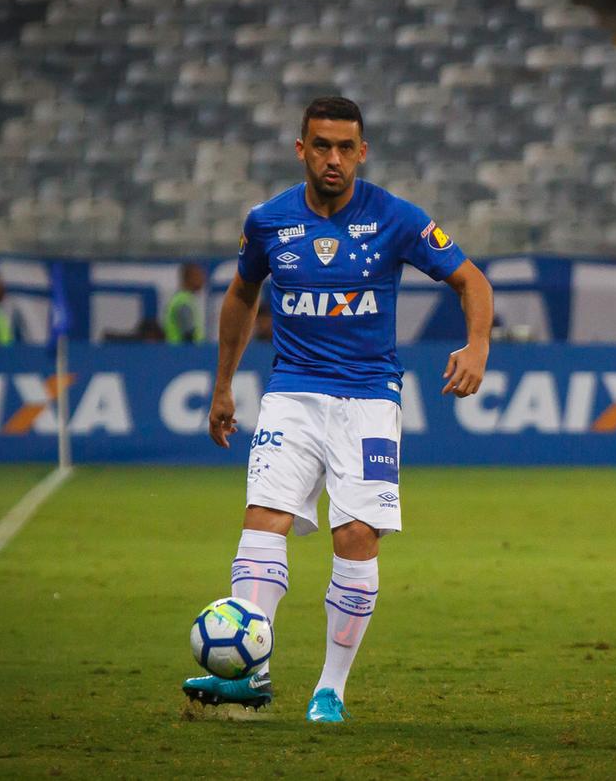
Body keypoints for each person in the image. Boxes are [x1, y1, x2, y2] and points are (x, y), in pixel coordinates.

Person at [183, 97, 494, 722]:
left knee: (355, 536)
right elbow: (243, 294)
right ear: (301, 149)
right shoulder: (269, 222)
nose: (333, 159)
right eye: (320, 146)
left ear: (362, 151)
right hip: (292, 393)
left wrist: (478, 344)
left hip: (369, 400)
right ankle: (253, 673)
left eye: (344, 148)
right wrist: (223, 384)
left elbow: (472, 281)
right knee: (261, 520)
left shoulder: (397, 218)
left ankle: (331, 688)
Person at [164, 262, 207, 344]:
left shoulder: (182, 299)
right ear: (189, 278)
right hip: (183, 354)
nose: (203, 280)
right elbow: (188, 334)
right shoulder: (183, 302)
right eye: (198, 276)